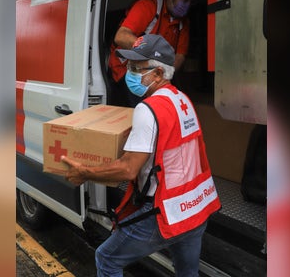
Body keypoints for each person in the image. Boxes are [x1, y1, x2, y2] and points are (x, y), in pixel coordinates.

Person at [63, 34, 220, 277]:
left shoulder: (148, 109)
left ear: (158, 74)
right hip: (197, 206)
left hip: (168, 210)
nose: (129, 73)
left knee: (106, 258)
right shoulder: (182, 99)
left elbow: (128, 169)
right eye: (130, 66)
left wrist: (85, 172)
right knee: (187, 274)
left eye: (137, 68)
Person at [108, 0, 198, 107]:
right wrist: (151, 52)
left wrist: (165, 75)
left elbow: (180, 56)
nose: (187, 5)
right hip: (128, 70)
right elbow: (121, 36)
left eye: (191, 2)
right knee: (142, 107)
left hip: (155, 74)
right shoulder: (149, 6)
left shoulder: (183, 23)